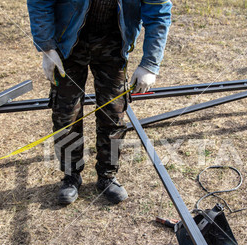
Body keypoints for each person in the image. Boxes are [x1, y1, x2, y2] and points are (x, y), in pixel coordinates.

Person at [27, 0, 172, 205]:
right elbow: (40, 2)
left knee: (113, 113)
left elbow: (158, 12)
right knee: (66, 113)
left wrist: (150, 64)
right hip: (68, 43)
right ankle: (71, 176)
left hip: (114, 43)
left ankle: (107, 175)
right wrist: (47, 48)